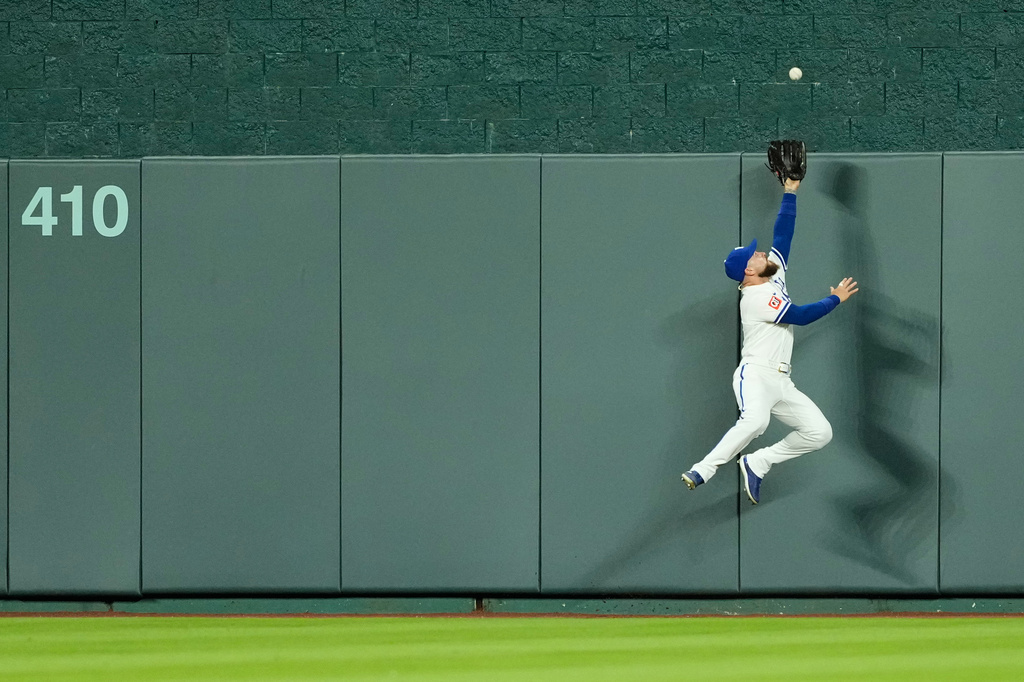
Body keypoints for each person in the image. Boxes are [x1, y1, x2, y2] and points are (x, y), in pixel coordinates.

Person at [681, 153, 859, 505]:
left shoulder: (771, 272)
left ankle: (759, 461)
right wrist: (836, 299)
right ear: (748, 271)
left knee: (819, 433)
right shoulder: (755, 298)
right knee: (755, 423)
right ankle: (703, 469)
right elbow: (801, 316)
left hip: (781, 380)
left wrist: (790, 192)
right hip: (757, 375)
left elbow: (784, 233)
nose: (760, 252)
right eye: (754, 255)